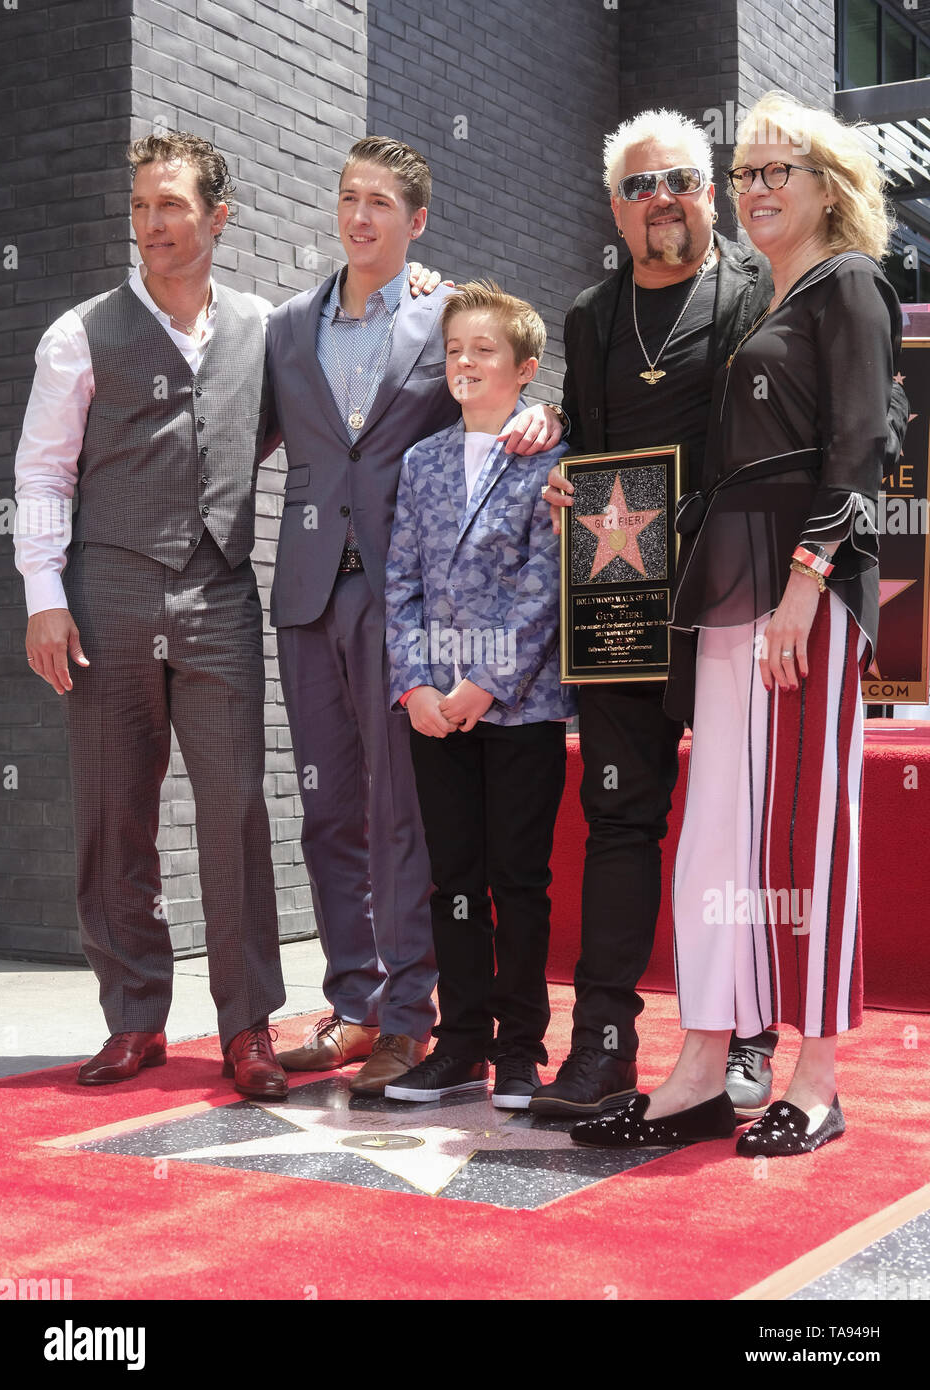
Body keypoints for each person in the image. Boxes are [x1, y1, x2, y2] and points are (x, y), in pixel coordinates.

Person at [571, 91, 903, 1156]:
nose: (756, 188)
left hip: (797, 594)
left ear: (829, 187)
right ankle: (704, 1063)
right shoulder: (771, 298)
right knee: (720, 836)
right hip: (725, 596)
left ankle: (814, 1076)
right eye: (748, 171)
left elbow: (862, 452)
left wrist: (805, 587)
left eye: (778, 171)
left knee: (808, 835)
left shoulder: (849, 283)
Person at [267, 138, 565, 1096]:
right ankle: (352, 1005)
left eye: (382, 202)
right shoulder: (283, 329)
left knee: (404, 819)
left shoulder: (443, 320)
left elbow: (501, 378)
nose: (361, 217)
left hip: (407, 604)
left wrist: (547, 415)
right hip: (310, 589)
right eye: (349, 197)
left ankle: (410, 1016)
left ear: (416, 220)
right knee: (326, 810)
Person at [14, 134, 289, 1099]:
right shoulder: (79, 331)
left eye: (170, 206)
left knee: (238, 812)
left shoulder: (267, 327)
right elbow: (43, 474)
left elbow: (351, 381)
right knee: (112, 815)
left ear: (219, 217)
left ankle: (248, 1026)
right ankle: (134, 1018)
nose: (152, 225)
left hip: (219, 593)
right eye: (139, 207)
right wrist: (45, 600)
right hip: (108, 592)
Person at [535, 110, 778, 1119]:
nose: (660, 201)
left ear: (710, 189)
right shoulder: (591, 317)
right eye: (639, 188)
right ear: (614, 208)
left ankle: (747, 1040)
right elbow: (585, 442)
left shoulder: (756, 291)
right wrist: (561, 481)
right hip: (619, 605)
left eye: (677, 179)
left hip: (727, 604)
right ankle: (599, 1048)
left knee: (738, 829)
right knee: (619, 819)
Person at [382, 281, 577, 1107]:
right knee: (453, 878)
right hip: (435, 712)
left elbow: (547, 585)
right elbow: (401, 582)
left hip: (521, 707)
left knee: (519, 879)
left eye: (484, 350)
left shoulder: (549, 460)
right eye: (455, 348)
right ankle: (459, 1043)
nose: (465, 361)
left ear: (525, 369)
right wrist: (416, 688)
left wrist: (484, 687)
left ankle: (522, 1049)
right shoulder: (421, 461)